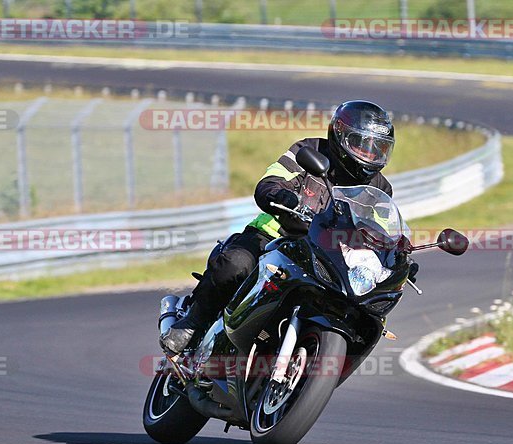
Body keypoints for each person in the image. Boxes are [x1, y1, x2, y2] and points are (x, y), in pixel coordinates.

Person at [160, 100, 398, 354]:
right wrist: (279, 194)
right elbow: (272, 180)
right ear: (340, 135)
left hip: (329, 257)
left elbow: (382, 231)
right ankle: (192, 323)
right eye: (363, 145)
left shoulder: (379, 188)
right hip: (275, 236)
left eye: (378, 149)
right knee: (236, 263)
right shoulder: (309, 150)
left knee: (361, 306)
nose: (370, 155)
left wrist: (396, 253)